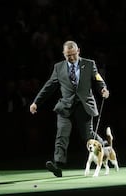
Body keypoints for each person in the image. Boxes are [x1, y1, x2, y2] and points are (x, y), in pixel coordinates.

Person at [29, 40, 110, 177]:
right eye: (68, 55)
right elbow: (49, 86)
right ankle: (57, 165)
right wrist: (36, 102)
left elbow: (98, 79)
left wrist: (103, 89)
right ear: (63, 54)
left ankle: (104, 145)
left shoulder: (89, 64)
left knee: (88, 135)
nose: (71, 58)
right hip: (65, 107)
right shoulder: (58, 67)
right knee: (62, 135)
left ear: (78, 51)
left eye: (73, 54)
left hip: (84, 106)